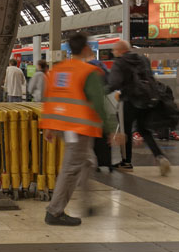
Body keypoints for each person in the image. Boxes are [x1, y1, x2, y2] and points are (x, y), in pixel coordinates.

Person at [39, 33, 120, 226]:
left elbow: (49, 99)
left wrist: (49, 126)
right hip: (78, 127)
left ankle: (87, 203)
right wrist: (110, 130)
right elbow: (99, 103)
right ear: (85, 49)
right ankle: (55, 211)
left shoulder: (57, 70)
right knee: (72, 167)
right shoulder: (88, 72)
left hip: (62, 125)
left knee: (87, 161)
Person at [108, 40, 171, 175]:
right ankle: (160, 157)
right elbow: (150, 77)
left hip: (128, 101)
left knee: (125, 131)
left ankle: (126, 162)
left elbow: (114, 83)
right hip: (146, 100)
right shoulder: (143, 59)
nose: (113, 52)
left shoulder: (119, 62)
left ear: (119, 51)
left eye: (114, 50)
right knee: (144, 130)